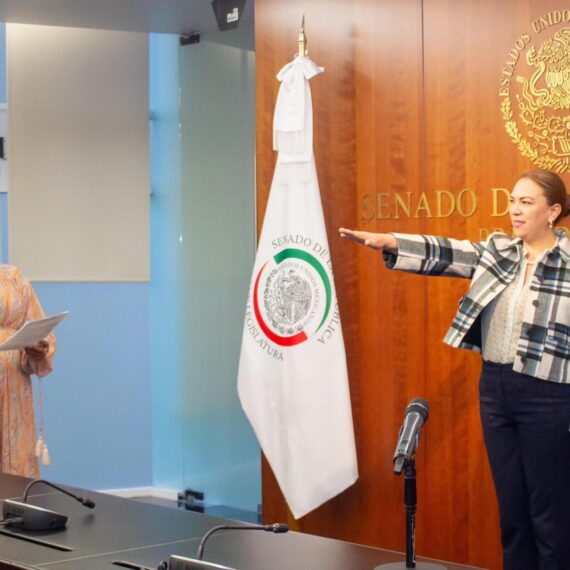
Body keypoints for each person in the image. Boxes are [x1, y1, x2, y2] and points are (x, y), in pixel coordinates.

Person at [339, 169, 570, 570]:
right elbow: (450, 253)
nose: (514, 210)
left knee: (549, 517)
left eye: (526, 202)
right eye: (513, 200)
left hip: (549, 395)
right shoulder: (500, 250)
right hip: (496, 388)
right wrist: (392, 242)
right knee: (512, 513)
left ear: (553, 211)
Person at [0, 264, 55, 477]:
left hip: (13, 388)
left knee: (14, 467)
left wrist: (36, 351)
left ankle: (13, 508)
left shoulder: (15, 279)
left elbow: (41, 332)